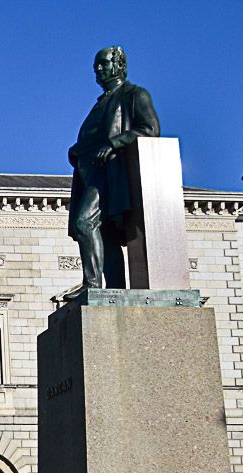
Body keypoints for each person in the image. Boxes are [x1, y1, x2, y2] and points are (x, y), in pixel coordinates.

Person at [67, 46, 160, 296]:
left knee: (84, 222)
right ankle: (116, 290)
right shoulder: (101, 103)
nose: (98, 69)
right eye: (95, 66)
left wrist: (114, 143)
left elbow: (150, 129)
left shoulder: (135, 94)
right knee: (105, 233)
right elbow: (94, 135)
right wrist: (77, 150)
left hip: (112, 173)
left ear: (119, 65)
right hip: (90, 174)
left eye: (103, 64)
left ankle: (92, 285)